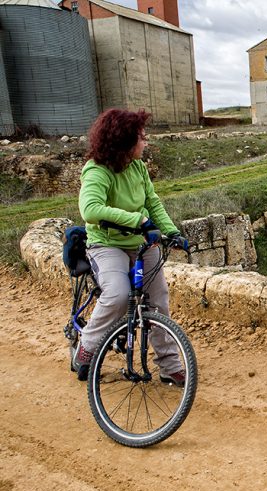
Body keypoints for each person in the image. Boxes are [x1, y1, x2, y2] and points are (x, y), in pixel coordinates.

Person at [72, 109, 189, 385]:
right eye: (141, 138)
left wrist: (171, 230)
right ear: (124, 141)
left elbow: (153, 202)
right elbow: (90, 210)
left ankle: (169, 365)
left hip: (140, 243)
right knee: (118, 293)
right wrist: (139, 220)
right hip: (107, 244)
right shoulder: (97, 170)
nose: (145, 142)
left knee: (158, 298)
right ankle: (87, 347)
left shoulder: (138, 168)